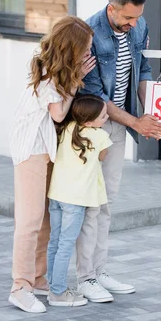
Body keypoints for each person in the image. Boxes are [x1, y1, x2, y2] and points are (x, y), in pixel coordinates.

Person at [76, 0, 161, 303]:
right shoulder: (88, 32)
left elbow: (142, 67)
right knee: (89, 203)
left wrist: (150, 114)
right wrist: (136, 122)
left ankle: (98, 271)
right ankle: (83, 277)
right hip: (92, 127)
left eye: (137, 18)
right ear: (111, 8)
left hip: (119, 126)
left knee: (106, 202)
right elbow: (92, 94)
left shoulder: (138, 22)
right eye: (127, 19)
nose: (134, 25)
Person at [8, 16, 96, 314]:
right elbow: (58, 114)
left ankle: (38, 277)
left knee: (45, 219)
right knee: (30, 221)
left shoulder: (57, 70)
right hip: (31, 150)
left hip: (47, 150)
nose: (88, 54)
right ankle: (20, 287)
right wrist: (75, 82)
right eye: (85, 49)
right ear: (71, 48)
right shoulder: (46, 72)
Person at [46, 94, 111, 307]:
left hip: (56, 195)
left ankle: (52, 285)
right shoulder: (99, 135)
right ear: (89, 121)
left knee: (55, 242)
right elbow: (103, 157)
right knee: (66, 244)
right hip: (76, 200)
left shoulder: (66, 129)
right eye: (103, 115)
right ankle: (58, 293)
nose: (107, 116)